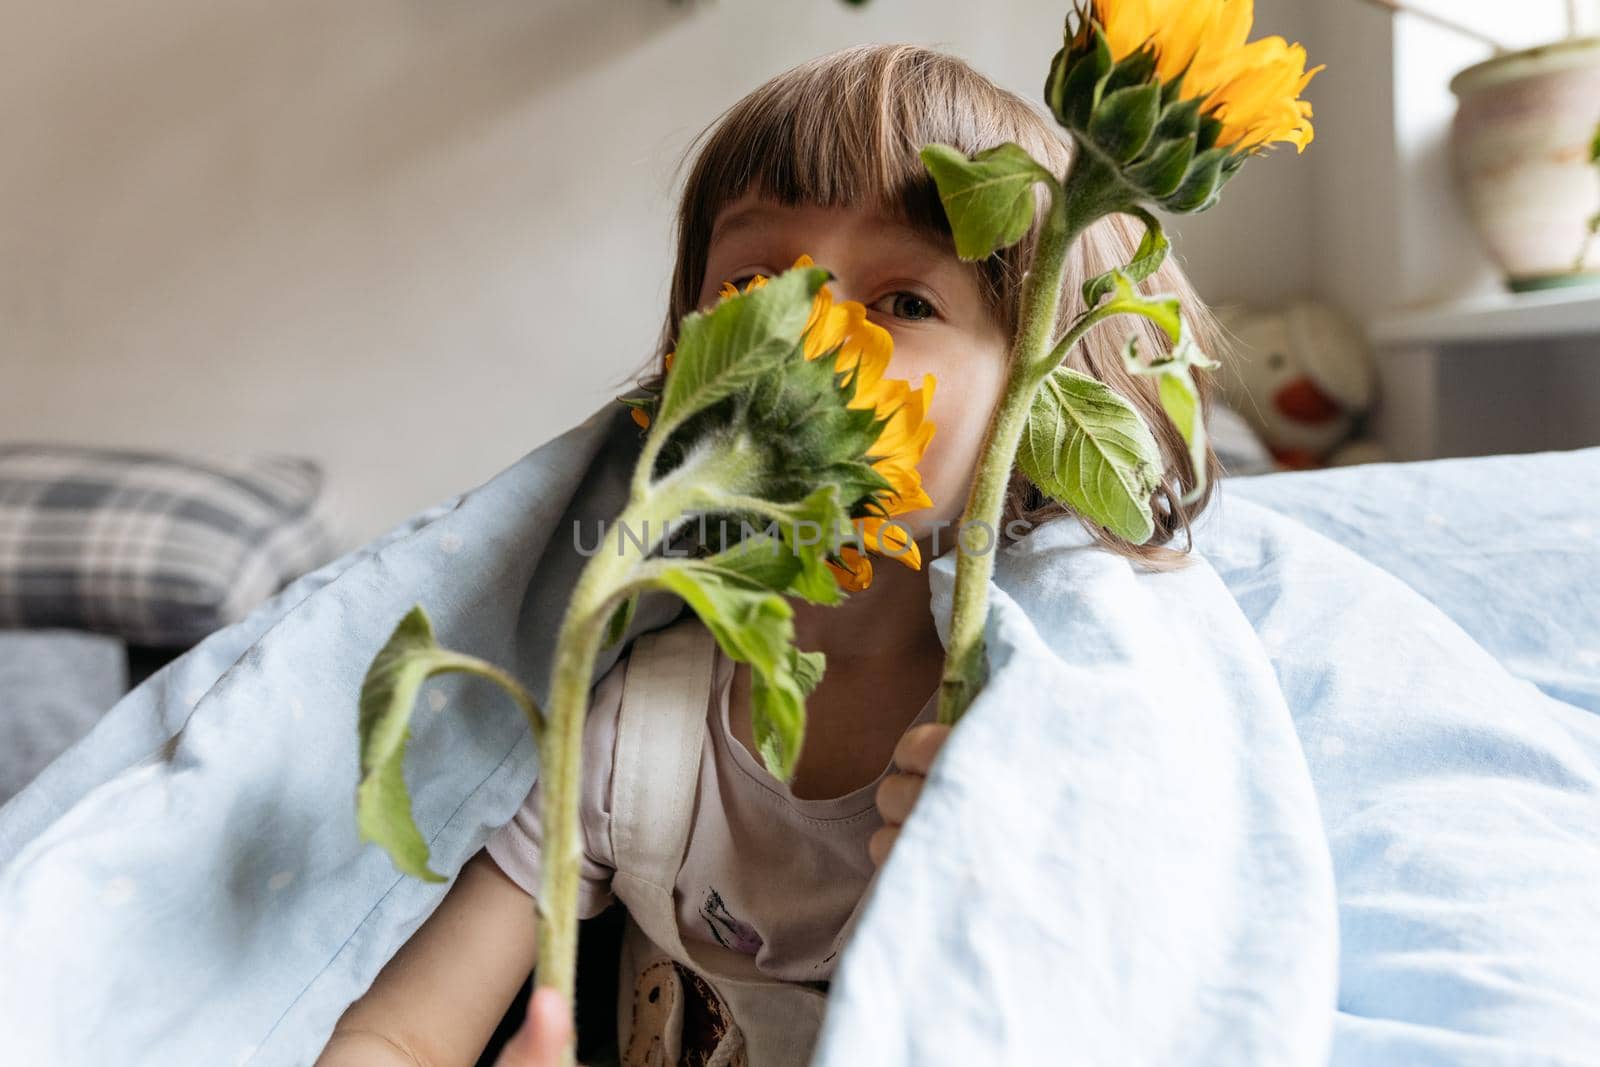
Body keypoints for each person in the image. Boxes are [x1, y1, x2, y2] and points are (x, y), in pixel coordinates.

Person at [316, 41, 1218, 1067]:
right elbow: (400, 1031)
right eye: (756, 281)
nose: (805, 331)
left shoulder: (1048, 723)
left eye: (904, 302)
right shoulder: (629, 728)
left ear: (1038, 396)